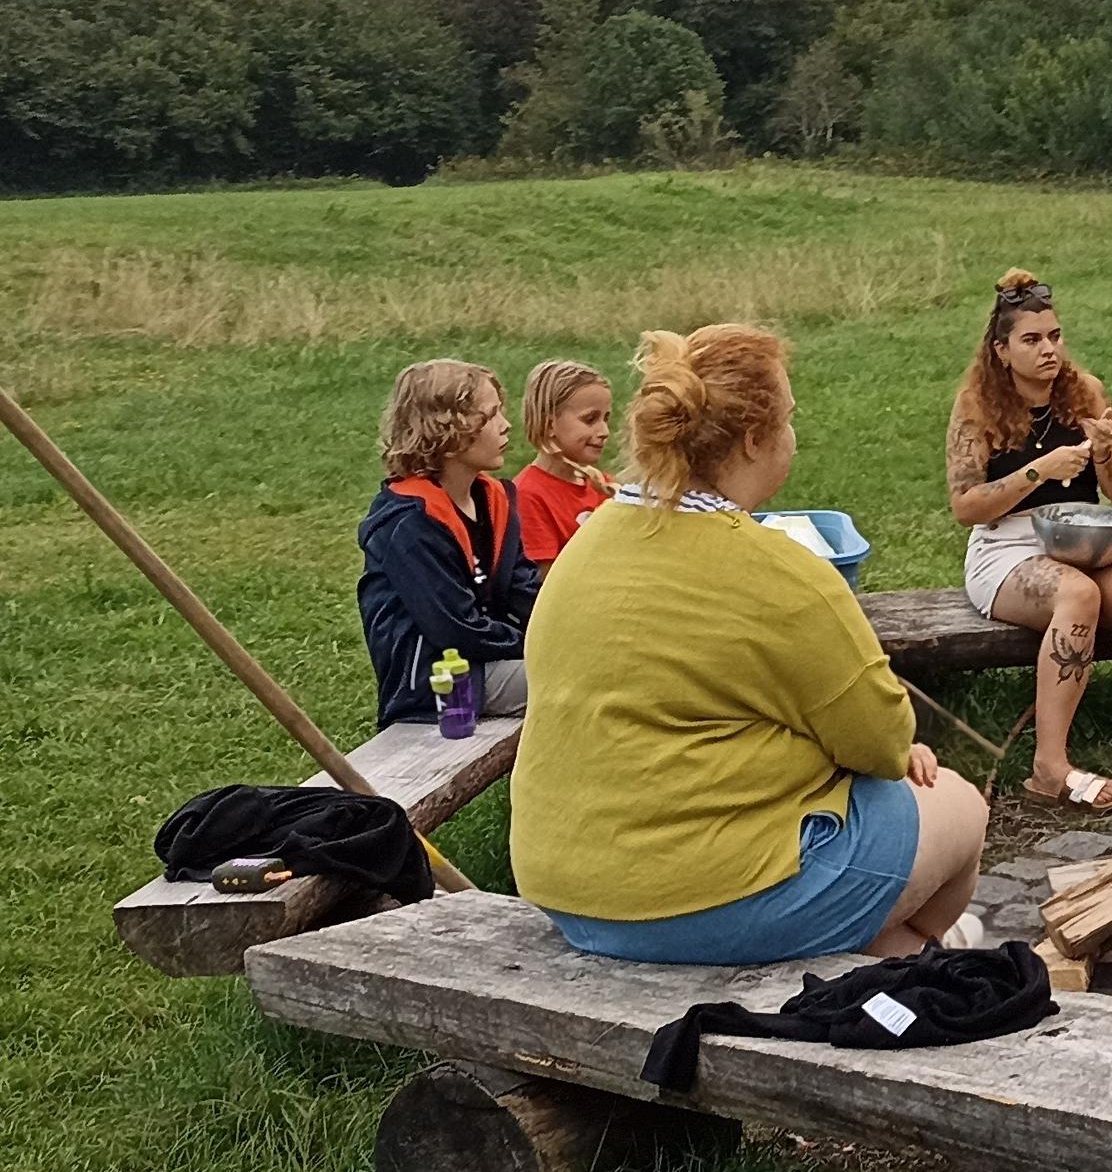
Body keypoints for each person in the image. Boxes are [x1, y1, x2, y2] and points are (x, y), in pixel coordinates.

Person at [514, 323, 989, 963]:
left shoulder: (591, 541)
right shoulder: (781, 572)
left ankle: (893, 949)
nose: (793, 433)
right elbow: (880, 742)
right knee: (958, 803)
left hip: (568, 887)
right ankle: (920, 956)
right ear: (754, 440)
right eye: (788, 418)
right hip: (705, 902)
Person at [945, 269, 1112, 812]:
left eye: (1054, 336)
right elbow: (965, 507)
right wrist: (1039, 471)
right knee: (1079, 595)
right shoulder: (976, 405)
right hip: (1006, 547)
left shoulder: (1085, 391)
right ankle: (1049, 767)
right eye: (1031, 340)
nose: (1048, 349)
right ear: (1002, 351)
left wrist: (1104, 455)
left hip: (1082, 533)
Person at [357, 357, 537, 727]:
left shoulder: (492, 500)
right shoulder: (409, 523)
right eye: (491, 415)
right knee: (588, 678)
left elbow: (526, 591)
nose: (506, 425)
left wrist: (569, 629)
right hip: (441, 683)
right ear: (448, 432)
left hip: (492, 662)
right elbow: (457, 629)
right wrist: (538, 644)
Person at [510, 358, 617, 564]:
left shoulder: (603, 485)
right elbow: (545, 578)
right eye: (590, 419)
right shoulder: (528, 496)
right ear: (549, 425)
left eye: (606, 419)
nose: (604, 431)